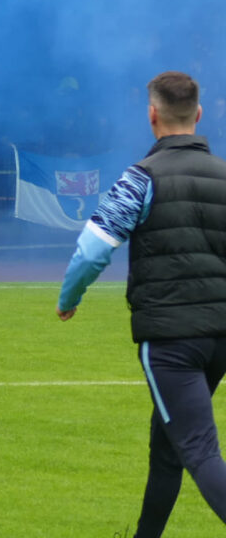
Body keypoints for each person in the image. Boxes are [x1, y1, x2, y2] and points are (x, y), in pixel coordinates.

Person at [58, 71, 226, 537]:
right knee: (168, 444)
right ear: (199, 114)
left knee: (197, 449)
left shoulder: (140, 179)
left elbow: (93, 248)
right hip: (220, 336)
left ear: (152, 115)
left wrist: (69, 298)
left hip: (172, 337)